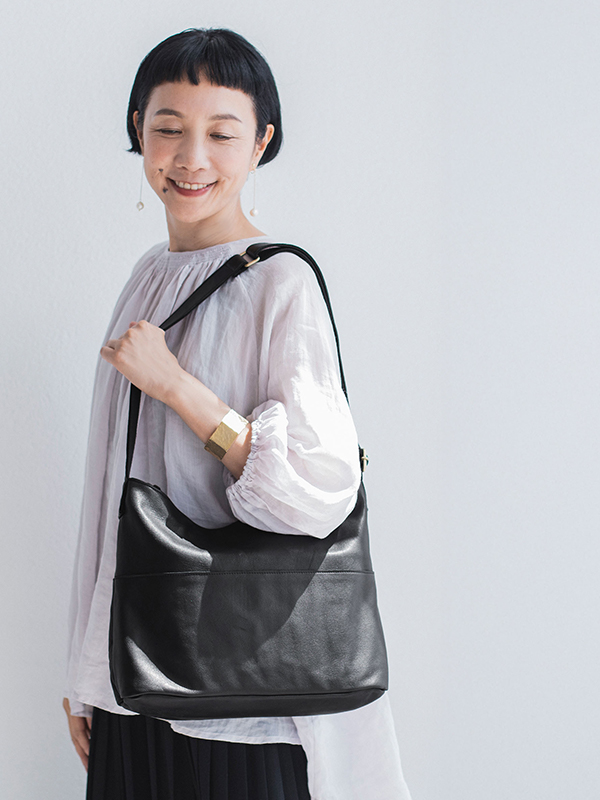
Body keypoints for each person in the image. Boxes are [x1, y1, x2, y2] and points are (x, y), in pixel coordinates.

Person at [63, 27, 412, 800]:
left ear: (261, 143)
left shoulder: (281, 284)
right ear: (138, 131)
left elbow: (318, 492)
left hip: (241, 697)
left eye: (221, 134)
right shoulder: (148, 275)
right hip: (136, 674)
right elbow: (108, 495)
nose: (191, 158)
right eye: (169, 128)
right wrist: (85, 673)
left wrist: (179, 389)